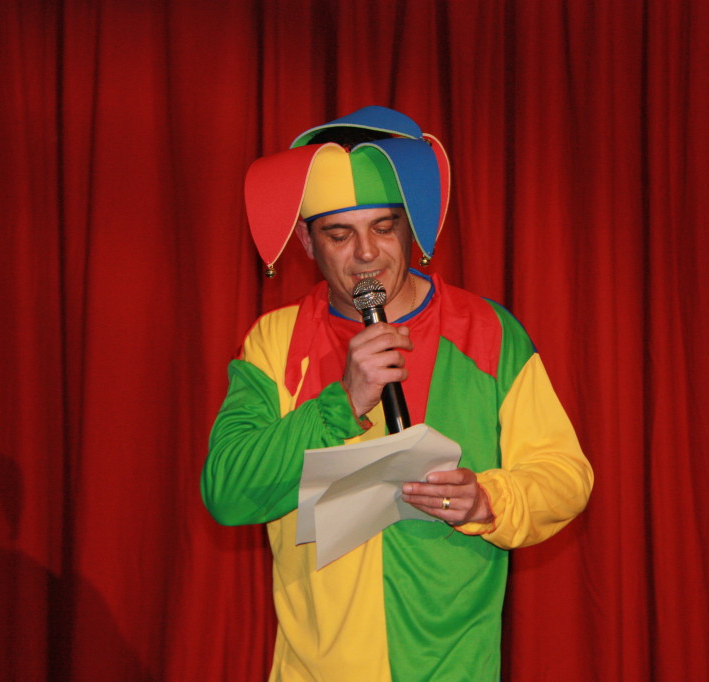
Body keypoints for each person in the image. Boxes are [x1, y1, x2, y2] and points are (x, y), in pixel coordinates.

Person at [201, 106, 593, 681]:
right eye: (340, 234)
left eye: (384, 228)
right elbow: (228, 491)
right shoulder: (274, 341)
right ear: (307, 243)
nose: (366, 253)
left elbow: (565, 475)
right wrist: (341, 401)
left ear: (409, 228)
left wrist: (488, 499)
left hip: (453, 665)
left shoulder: (487, 331)